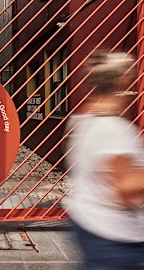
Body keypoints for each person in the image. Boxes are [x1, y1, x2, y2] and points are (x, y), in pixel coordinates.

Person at [65, 51, 144, 270]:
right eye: (131, 83)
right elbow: (125, 190)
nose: (134, 91)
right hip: (117, 238)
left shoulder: (81, 120)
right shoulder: (115, 130)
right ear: (121, 84)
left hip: (87, 224)